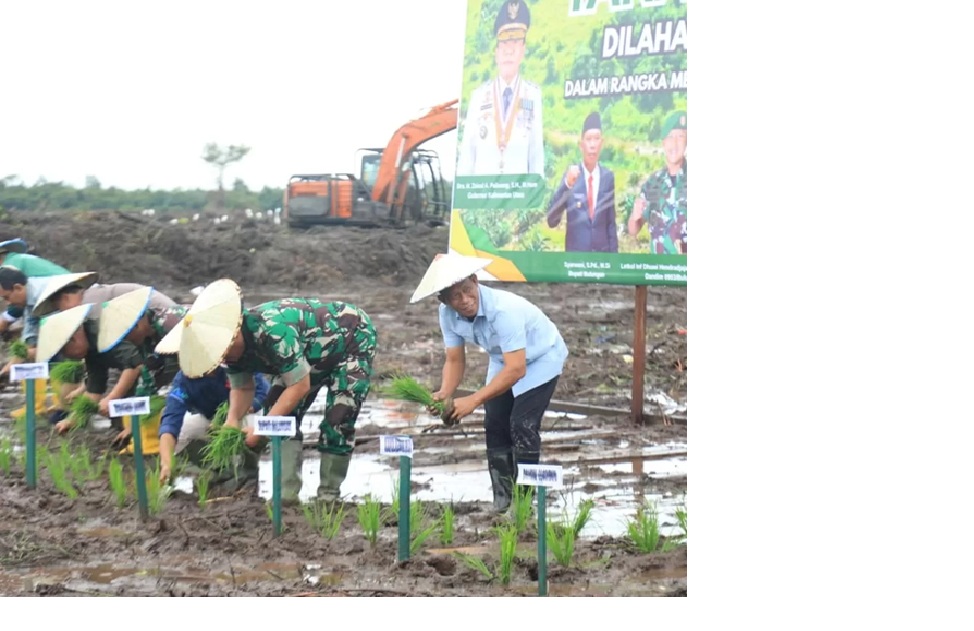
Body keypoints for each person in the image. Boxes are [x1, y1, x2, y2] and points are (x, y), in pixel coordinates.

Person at [158, 279, 378, 505]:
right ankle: (286, 496)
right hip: (305, 357)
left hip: (350, 339)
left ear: (234, 335)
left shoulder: (273, 332)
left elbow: (299, 386)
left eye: (223, 352)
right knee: (282, 416)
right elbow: (243, 387)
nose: (223, 359)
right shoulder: (230, 353)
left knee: (338, 418)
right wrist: (233, 419)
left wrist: (261, 429)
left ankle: (328, 497)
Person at [409, 253, 568, 512]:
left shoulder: (504, 310)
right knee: (494, 422)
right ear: (443, 300)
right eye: (455, 297)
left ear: (475, 280)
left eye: (468, 290)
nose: (465, 300)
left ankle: (524, 504)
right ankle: (503, 500)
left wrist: (473, 399)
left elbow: (517, 369)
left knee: (522, 424)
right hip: (503, 358)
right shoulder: (447, 315)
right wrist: (445, 392)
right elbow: (454, 359)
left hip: (541, 357)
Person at [34, 287, 181, 451]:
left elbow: (135, 365)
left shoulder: (103, 333)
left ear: (73, 339)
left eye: (65, 352)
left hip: (168, 357)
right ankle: (136, 436)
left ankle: (151, 443)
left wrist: (112, 397)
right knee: (132, 402)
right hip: (152, 366)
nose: (67, 358)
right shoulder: (91, 351)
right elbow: (94, 389)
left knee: (151, 397)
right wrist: (72, 419)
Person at [456, 0, 543, 176]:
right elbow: (467, 157)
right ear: (496, 52)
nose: (509, 51)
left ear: (523, 50)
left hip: (517, 200)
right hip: (482, 199)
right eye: (504, 43)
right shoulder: (479, 96)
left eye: (515, 43)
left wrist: (535, 199)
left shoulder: (532, 95)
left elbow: (536, 157)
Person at [0, 269, 98, 419]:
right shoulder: (30, 298)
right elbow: (31, 332)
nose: (8, 303)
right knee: (55, 359)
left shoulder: (47, 297)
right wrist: (16, 360)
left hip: (87, 324)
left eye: (7, 297)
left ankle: (69, 408)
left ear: (18, 288)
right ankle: (65, 406)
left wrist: (27, 355)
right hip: (74, 331)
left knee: (68, 359)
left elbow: (60, 339)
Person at [157, 366, 270, 490]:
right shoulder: (183, 379)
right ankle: (211, 469)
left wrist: (238, 414)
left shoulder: (235, 362)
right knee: (182, 432)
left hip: (244, 412)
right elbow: (170, 421)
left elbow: (263, 393)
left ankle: (245, 467)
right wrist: (166, 463)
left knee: (251, 430)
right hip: (209, 417)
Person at [546, 112, 619, 252]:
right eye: (588, 139)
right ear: (581, 145)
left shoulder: (608, 177)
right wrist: (566, 185)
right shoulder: (571, 176)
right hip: (576, 263)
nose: (592, 145)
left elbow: (610, 225)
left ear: (601, 143)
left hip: (601, 261)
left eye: (596, 139)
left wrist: (613, 262)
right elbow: (551, 220)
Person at [628, 110, 687, 254]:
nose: (674, 143)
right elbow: (633, 229)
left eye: (680, 137)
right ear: (663, 143)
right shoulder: (653, 183)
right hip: (658, 270)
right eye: (670, 137)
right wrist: (635, 216)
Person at [0, 238, 72, 338]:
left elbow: (17, 298)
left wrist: (5, 319)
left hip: (66, 295)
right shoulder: (19, 258)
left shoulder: (9, 266)